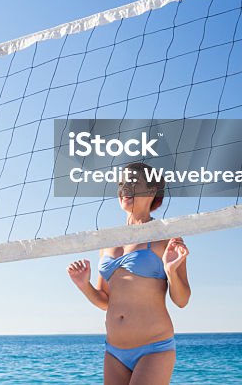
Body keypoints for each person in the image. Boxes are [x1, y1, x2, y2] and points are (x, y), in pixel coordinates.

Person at [67, 162, 190, 385]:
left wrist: (171, 271)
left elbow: (181, 300)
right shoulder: (108, 241)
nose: (125, 189)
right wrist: (84, 285)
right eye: (122, 184)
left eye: (133, 183)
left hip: (154, 348)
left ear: (151, 191)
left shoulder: (166, 237)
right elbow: (105, 301)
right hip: (114, 351)